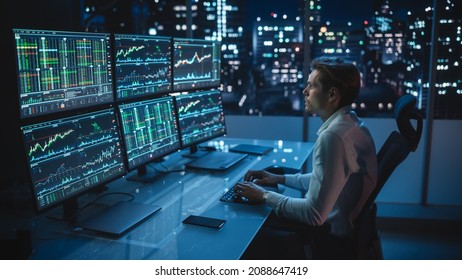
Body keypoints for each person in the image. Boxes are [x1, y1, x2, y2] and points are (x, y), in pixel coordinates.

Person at [235, 57, 377, 259]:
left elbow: (314, 215)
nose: (305, 91)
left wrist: (264, 196)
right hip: (344, 229)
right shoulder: (351, 125)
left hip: (328, 237)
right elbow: (329, 179)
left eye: (311, 85)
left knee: (247, 232)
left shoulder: (334, 137)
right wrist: (281, 179)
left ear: (332, 94)